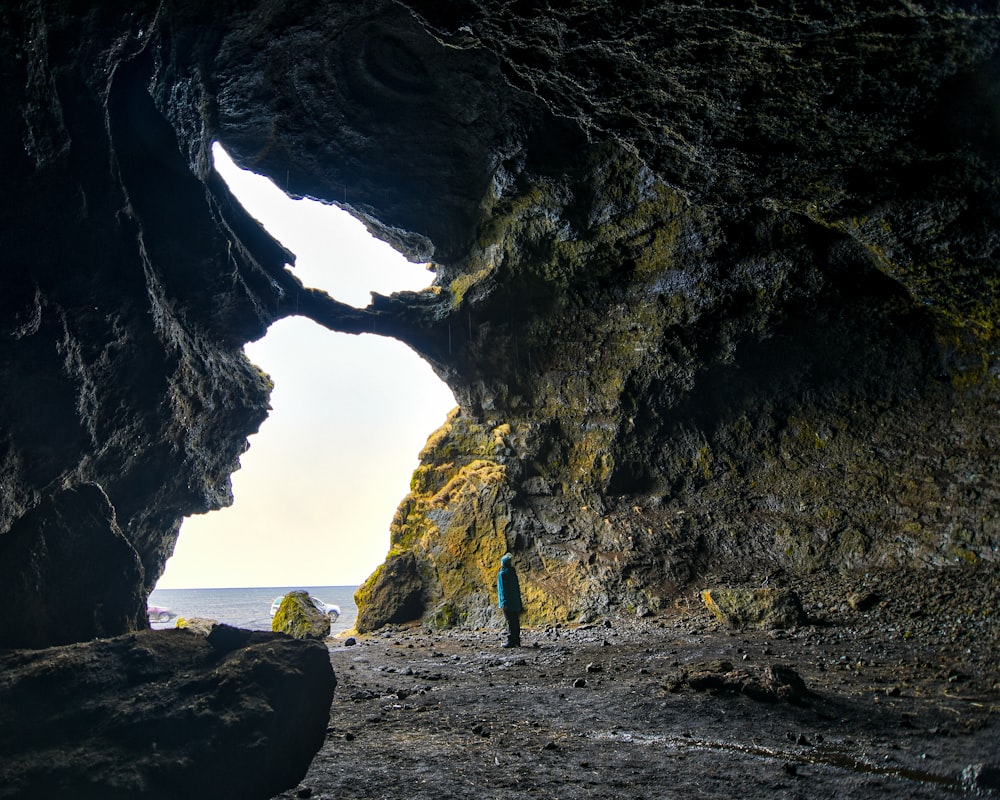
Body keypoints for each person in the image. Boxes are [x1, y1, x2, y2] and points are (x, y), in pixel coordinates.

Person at [497, 552, 522, 648]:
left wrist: (503, 603)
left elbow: (502, 590)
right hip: (515, 602)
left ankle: (511, 641)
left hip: (507, 602)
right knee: (515, 621)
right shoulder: (513, 573)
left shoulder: (502, 574)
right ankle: (517, 640)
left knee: (510, 621)